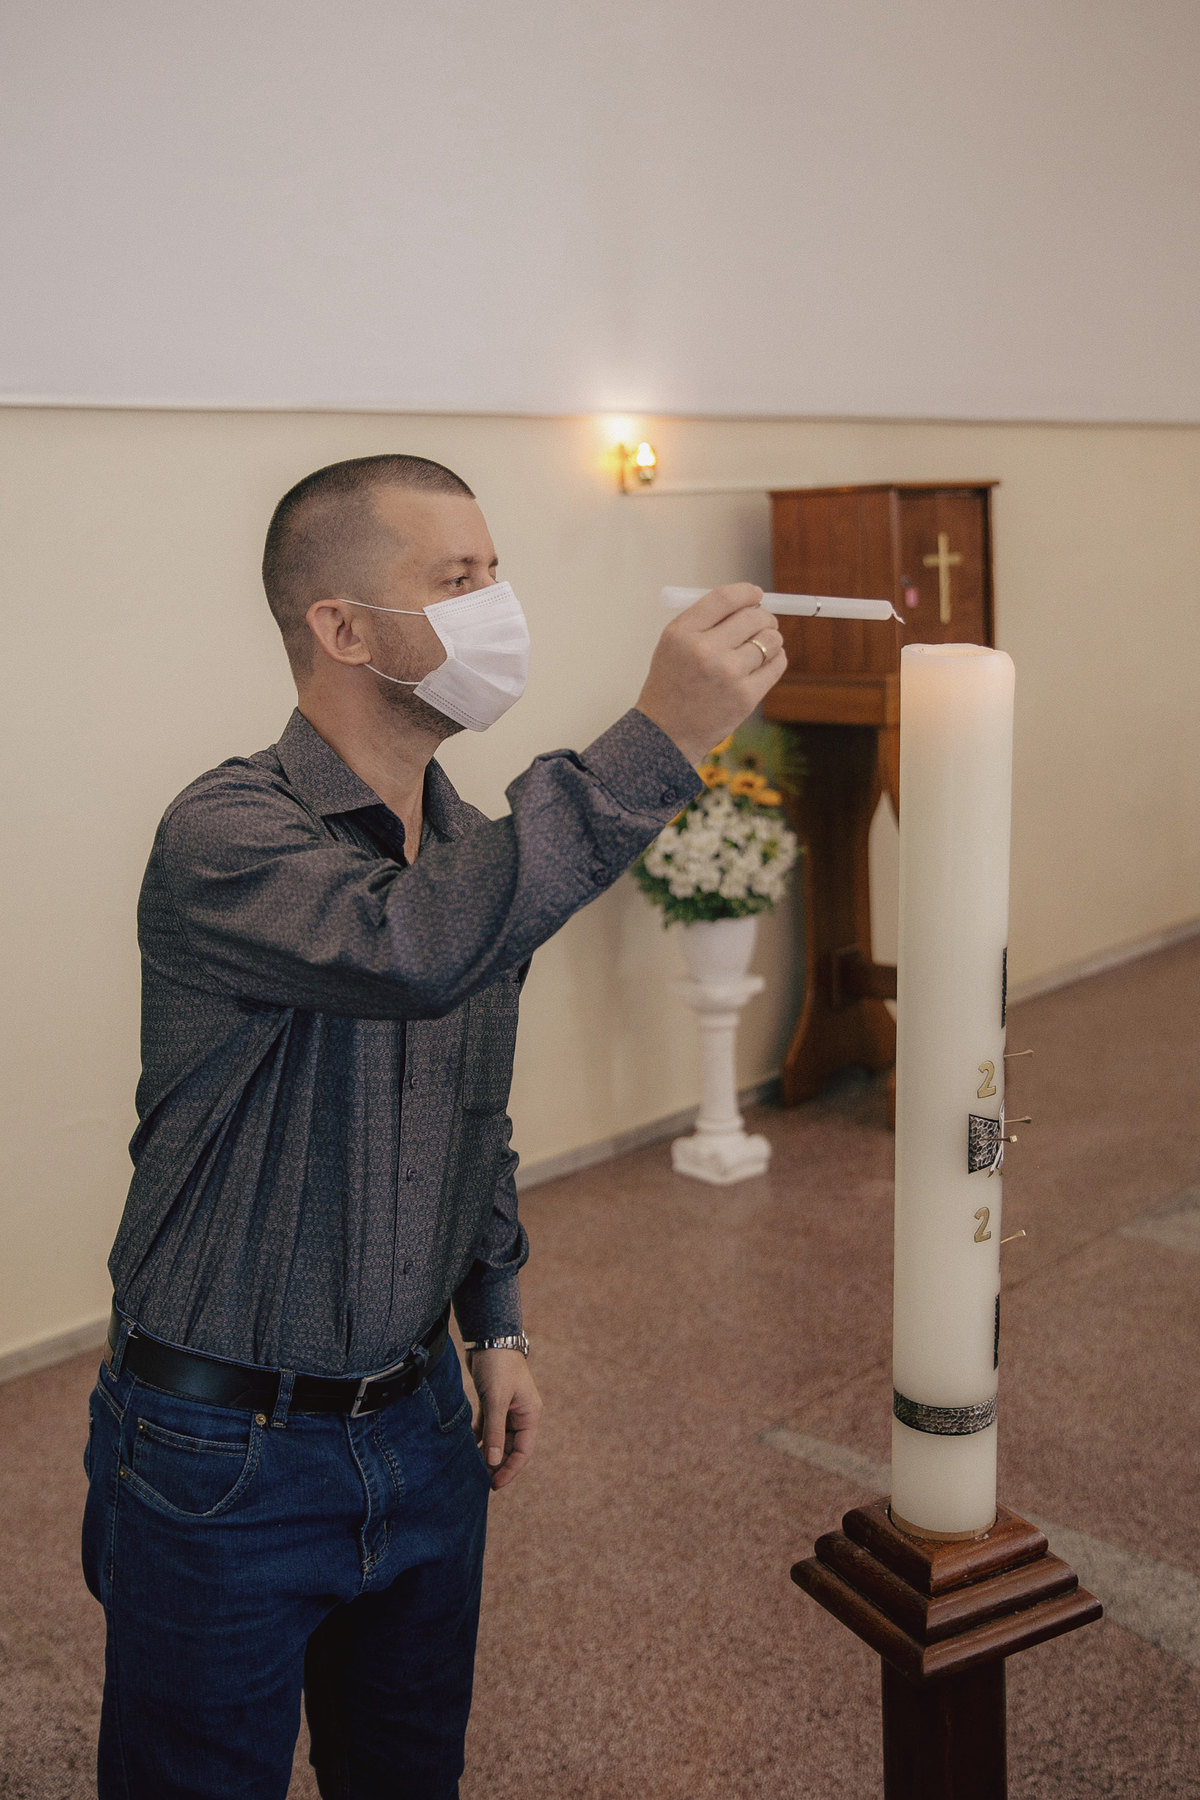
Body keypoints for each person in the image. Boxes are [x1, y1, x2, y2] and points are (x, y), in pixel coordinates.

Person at [81, 453, 786, 1799]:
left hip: (416, 1430)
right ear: (342, 628)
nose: (497, 605)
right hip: (220, 1450)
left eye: (498, 573)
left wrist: (496, 1319)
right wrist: (664, 734)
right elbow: (411, 951)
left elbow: (474, 1114)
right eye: (458, 582)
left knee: (406, 1775)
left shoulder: (463, 838)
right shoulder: (228, 832)